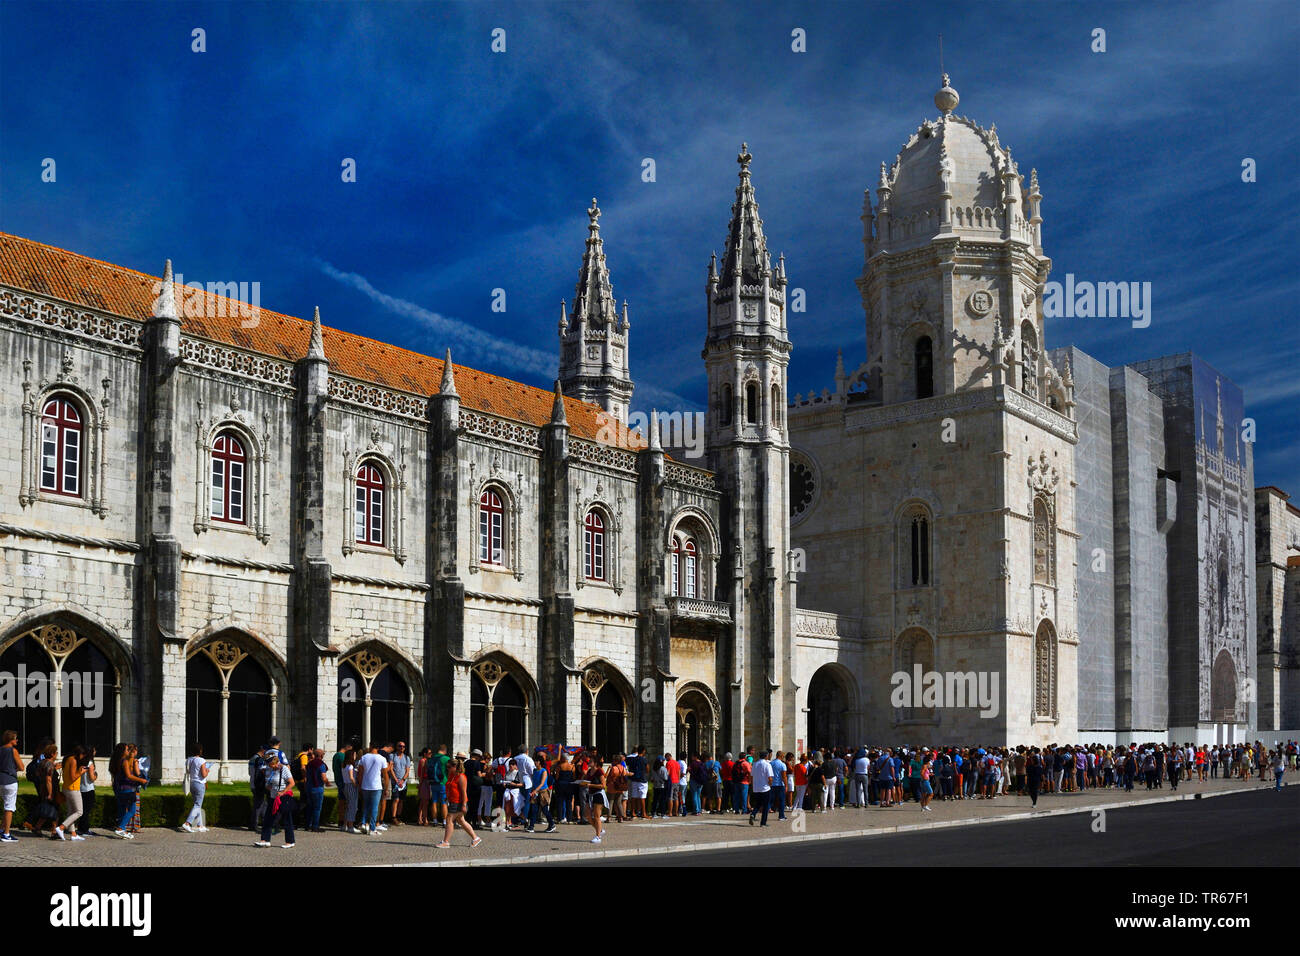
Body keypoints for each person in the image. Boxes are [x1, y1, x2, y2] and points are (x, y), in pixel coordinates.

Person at [436, 756, 482, 848]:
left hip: (458, 802)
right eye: (447, 767)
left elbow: (464, 792)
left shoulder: (461, 777)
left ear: (455, 767)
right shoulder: (451, 775)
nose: (447, 769)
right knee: (461, 821)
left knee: (449, 819)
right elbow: (450, 788)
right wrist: (447, 797)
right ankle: (476, 838)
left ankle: (446, 842)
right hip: (453, 801)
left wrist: (464, 805)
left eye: (449, 767)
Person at [255, 752, 296, 848]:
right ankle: (265, 840)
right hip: (273, 797)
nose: (270, 766)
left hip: (283, 797)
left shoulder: (284, 769)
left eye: (271, 764)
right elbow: (268, 782)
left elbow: (292, 783)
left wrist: (283, 792)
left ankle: (290, 842)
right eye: (268, 764)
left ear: (276, 762)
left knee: (287, 820)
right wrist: (269, 787)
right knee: (268, 819)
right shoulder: (269, 769)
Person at [109, 742, 145, 839]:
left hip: (118, 788)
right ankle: (120, 828)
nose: (128, 751)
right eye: (127, 749)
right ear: (123, 751)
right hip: (127, 788)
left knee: (122, 810)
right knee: (132, 810)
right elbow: (129, 775)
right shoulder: (124, 761)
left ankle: (122, 829)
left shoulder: (115, 761)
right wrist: (141, 780)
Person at [53, 745, 87, 841]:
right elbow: (73, 777)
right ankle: (61, 828)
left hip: (66, 788)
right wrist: (81, 772)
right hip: (73, 789)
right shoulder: (73, 760)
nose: (83, 757)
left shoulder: (67, 759)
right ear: (79, 753)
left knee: (71, 812)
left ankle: (73, 834)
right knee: (79, 812)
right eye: (82, 755)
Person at [356, 741, 387, 835]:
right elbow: (385, 775)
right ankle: (372, 829)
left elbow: (360, 773)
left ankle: (364, 823)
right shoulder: (382, 758)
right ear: (378, 748)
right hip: (376, 786)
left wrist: (360, 785)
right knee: (374, 808)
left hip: (365, 785)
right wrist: (385, 788)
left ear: (370, 746)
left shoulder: (364, 757)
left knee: (365, 806)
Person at [0, 731, 23, 843]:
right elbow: (21, 767)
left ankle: (2, 829)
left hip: (1, 780)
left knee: (6, 805)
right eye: (16, 738)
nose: (17, 740)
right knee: (9, 807)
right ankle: (6, 833)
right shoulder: (13, 751)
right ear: (11, 740)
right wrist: (13, 769)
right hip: (10, 780)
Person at [181, 741, 210, 832]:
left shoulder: (189, 760)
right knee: (198, 805)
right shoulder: (201, 760)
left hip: (192, 783)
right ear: (200, 751)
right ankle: (187, 823)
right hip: (199, 784)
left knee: (197, 805)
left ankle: (200, 825)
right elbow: (204, 774)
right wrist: (207, 770)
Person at [579, 751, 607, 843]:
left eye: (590, 761)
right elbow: (586, 780)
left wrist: (591, 785)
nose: (588, 762)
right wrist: (582, 781)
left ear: (595, 763)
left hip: (598, 794)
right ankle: (600, 830)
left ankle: (598, 837)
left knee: (596, 816)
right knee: (587, 815)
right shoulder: (589, 771)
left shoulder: (599, 771)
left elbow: (603, 785)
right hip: (590, 794)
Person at [528, 749, 556, 833]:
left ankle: (552, 824)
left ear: (540, 762)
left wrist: (534, 791)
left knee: (545, 810)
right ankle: (531, 826)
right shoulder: (534, 771)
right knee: (534, 809)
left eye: (536, 761)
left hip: (543, 792)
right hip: (536, 792)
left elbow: (542, 783)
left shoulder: (544, 771)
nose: (534, 762)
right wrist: (533, 790)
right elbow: (534, 782)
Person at [305, 748, 329, 831]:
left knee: (309, 807)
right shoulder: (321, 765)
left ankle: (308, 825)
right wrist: (327, 782)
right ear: (321, 755)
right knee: (317, 808)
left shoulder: (309, 764)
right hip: (317, 787)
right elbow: (323, 777)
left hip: (308, 787)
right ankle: (315, 826)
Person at [749, 750, 773, 826]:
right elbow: (770, 777)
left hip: (756, 788)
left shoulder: (755, 764)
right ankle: (763, 823)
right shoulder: (767, 764)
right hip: (765, 788)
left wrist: (753, 786)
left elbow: (751, 777)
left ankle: (753, 814)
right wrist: (770, 784)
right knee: (766, 806)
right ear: (766, 756)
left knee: (758, 804)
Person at [389, 741, 411, 825]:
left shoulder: (407, 758)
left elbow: (407, 770)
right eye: (400, 746)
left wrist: (403, 780)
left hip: (403, 783)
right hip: (395, 782)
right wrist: (397, 780)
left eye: (403, 746)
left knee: (401, 800)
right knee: (396, 799)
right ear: (396, 747)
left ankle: (399, 816)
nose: (402, 748)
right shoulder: (392, 756)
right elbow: (391, 769)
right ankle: (393, 817)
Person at [79, 747, 99, 837]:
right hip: (89, 789)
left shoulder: (81, 762)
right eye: (94, 750)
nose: (95, 752)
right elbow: (91, 778)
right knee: (87, 811)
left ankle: (80, 829)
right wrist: (96, 776)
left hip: (81, 788)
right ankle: (85, 830)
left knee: (82, 810)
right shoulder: (90, 763)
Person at [625, 745, 649, 820]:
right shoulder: (644, 759)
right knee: (642, 797)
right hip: (642, 780)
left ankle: (633, 812)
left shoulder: (633, 759)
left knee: (634, 796)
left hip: (634, 779)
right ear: (643, 751)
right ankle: (643, 813)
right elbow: (647, 769)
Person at [341, 749, 360, 833]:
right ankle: (351, 826)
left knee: (348, 805)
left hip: (345, 785)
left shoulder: (343, 765)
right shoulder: (351, 766)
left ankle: (345, 825)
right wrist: (356, 785)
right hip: (351, 786)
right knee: (353, 806)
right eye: (354, 755)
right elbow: (351, 777)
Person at [768, 751, 788, 821]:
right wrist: (786, 785)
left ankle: (764, 814)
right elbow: (784, 776)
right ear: (781, 756)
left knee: (770, 800)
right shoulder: (782, 765)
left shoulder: (771, 763)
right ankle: (781, 816)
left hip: (772, 784)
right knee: (781, 800)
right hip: (780, 785)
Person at [416, 747, 432, 825]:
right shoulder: (423, 761)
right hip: (424, 782)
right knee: (424, 802)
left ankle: (420, 818)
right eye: (429, 753)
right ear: (425, 754)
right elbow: (421, 774)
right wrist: (420, 784)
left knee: (423, 802)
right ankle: (424, 819)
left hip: (426, 782)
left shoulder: (427, 761)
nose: (431, 755)